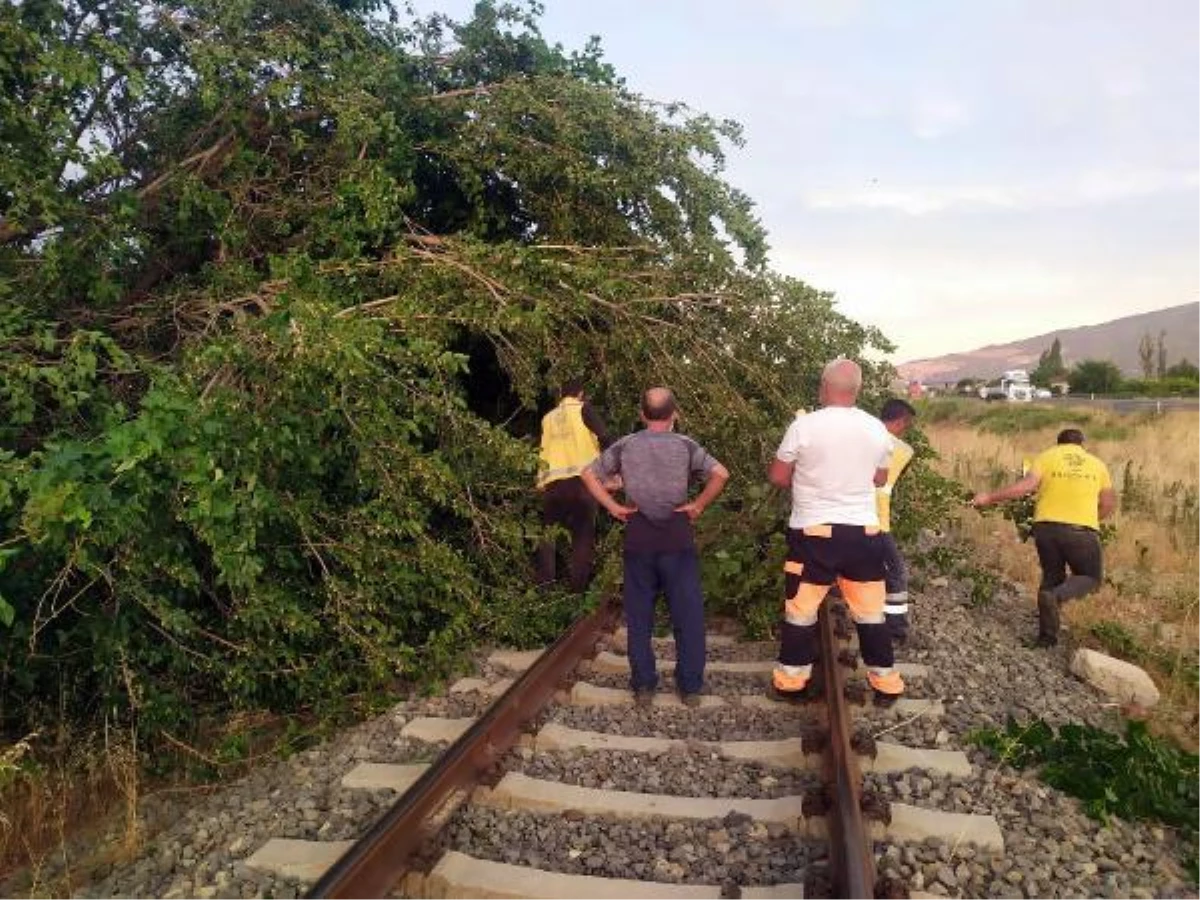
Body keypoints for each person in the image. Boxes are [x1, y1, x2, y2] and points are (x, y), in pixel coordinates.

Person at [581, 387, 729, 708]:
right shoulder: (686, 445)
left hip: (639, 537)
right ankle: (690, 687)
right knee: (688, 615)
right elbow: (720, 474)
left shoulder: (626, 445)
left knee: (639, 617)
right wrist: (698, 505)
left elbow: (589, 474)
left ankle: (644, 685)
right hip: (677, 537)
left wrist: (613, 507)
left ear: (643, 415)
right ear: (675, 414)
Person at [767, 359, 905, 702]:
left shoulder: (804, 426)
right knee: (871, 612)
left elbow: (779, 477)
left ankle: (792, 683)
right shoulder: (877, 429)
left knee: (801, 612)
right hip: (864, 535)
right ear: (856, 390)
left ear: (824, 387)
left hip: (815, 534)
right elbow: (880, 478)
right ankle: (886, 683)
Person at [972, 428, 1115, 647]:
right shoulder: (1097, 464)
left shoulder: (1047, 457)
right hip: (1081, 530)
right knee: (1090, 578)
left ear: (1059, 444)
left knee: (1051, 576)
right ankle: (1057, 597)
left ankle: (1046, 639)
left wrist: (989, 497)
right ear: (1081, 444)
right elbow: (1107, 504)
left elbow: (1026, 487)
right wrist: (1090, 519)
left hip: (1046, 529)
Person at [535, 381, 612, 593]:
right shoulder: (583, 409)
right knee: (582, 536)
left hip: (552, 485)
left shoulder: (548, 418)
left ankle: (544, 589)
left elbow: (543, 450)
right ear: (581, 394)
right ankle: (577, 591)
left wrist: (540, 481)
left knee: (548, 537)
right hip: (582, 483)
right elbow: (605, 437)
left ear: (561, 394)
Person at [877, 398, 918, 644]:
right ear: (901, 421)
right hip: (877, 519)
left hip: (845, 512)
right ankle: (896, 628)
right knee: (896, 572)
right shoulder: (905, 450)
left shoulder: (861, 435)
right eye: (907, 424)